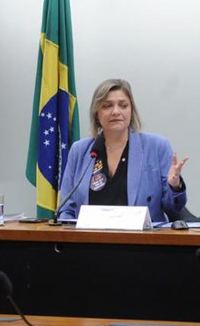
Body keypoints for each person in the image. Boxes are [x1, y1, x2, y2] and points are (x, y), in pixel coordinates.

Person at [58, 79, 188, 223]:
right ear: (97, 113)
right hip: (90, 241)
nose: (115, 112)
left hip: (143, 241)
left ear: (131, 110)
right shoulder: (80, 150)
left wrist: (174, 186)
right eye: (107, 106)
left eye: (123, 105)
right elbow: (66, 210)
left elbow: (173, 208)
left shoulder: (157, 147)